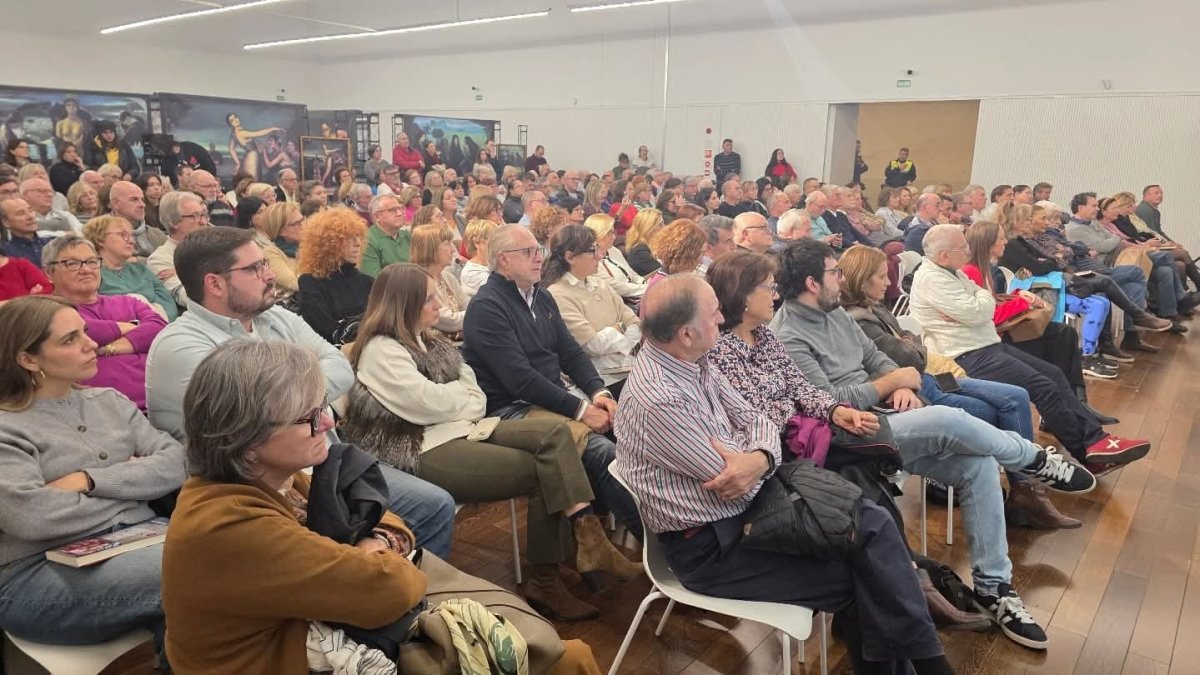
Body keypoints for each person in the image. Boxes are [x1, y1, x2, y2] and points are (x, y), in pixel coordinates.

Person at [164, 339, 603, 673]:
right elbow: (390, 590)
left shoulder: (272, 480)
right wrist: (373, 549)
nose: (329, 422)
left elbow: (387, 521)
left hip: (327, 639)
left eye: (322, 407)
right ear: (245, 436)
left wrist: (371, 543)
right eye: (307, 416)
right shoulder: (228, 525)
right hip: (298, 658)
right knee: (567, 660)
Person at [616, 274, 962, 674]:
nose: (722, 320)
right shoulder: (659, 398)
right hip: (713, 545)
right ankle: (932, 664)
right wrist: (761, 456)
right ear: (686, 333)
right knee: (870, 573)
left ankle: (930, 664)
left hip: (754, 510)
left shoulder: (695, 359)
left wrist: (759, 456)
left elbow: (756, 420)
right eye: (713, 315)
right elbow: (735, 485)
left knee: (875, 525)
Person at [768, 240, 1098, 649]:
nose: (841, 279)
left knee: (977, 467)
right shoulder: (786, 333)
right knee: (948, 417)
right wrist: (892, 384)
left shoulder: (836, 315)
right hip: (849, 438)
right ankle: (1030, 458)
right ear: (813, 283)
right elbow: (830, 404)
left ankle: (994, 588)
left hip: (887, 417)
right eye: (834, 273)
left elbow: (878, 359)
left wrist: (896, 386)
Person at [343, 263, 640, 618]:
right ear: (402, 304)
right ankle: (550, 576)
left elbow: (476, 396)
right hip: (418, 446)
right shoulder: (381, 349)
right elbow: (425, 404)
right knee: (546, 469)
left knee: (558, 435)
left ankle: (583, 541)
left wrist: (450, 398)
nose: (439, 304)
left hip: (465, 427)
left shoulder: (432, 341)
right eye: (429, 298)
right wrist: (456, 397)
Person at [145, 226, 456, 556]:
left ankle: (400, 596)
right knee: (390, 527)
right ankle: (369, 595)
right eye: (254, 268)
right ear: (215, 283)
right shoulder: (180, 346)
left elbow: (338, 367)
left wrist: (288, 396)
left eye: (266, 263)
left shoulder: (275, 318)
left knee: (434, 506)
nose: (269, 276)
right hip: (249, 489)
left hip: (319, 463)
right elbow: (262, 418)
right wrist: (292, 397)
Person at [836, 245, 1079, 529]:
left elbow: (912, 342)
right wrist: (909, 346)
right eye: (881, 276)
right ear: (863, 279)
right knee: (997, 410)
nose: (890, 282)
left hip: (928, 377)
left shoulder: (874, 307)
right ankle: (1024, 486)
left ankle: (1024, 485)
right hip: (916, 390)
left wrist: (908, 342)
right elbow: (912, 354)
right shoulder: (858, 320)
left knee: (1018, 395)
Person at [0, 295, 184, 650]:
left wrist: (90, 480)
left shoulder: (108, 401)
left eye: (85, 332)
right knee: (199, 566)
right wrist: (132, 492)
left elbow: (175, 461)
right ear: (27, 359)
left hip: (143, 540)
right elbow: (32, 517)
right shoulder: (7, 427)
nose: (92, 344)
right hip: (38, 573)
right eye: (70, 339)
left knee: (201, 596)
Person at [910, 224, 1151, 468]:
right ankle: (1087, 450)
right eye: (962, 247)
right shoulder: (932, 278)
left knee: (1054, 373)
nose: (968, 250)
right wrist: (980, 302)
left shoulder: (953, 271)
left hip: (984, 345)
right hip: (964, 356)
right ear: (944, 255)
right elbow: (979, 310)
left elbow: (983, 305)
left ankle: (1096, 441)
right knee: (1044, 387)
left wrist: (979, 301)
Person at [462, 225, 642, 541]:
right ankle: (660, 549)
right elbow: (519, 380)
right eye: (529, 252)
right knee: (603, 453)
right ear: (503, 261)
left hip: (550, 398)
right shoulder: (486, 307)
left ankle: (598, 534)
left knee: (629, 431)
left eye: (539, 251)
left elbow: (570, 352)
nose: (539, 259)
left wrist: (597, 391)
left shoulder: (541, 297)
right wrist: (581, 410)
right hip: (510, 410)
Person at [962, 219, 1116, 381]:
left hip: (1000, 331)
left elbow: (992, 303)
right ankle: (1068, 387)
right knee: (1061, 339)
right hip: (995, 338)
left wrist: (1018, 294)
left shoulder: (984, 268)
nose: (1006, 242)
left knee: (1066, 333)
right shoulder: (972, 272)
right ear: (989, 244)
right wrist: (1023, 302)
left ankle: (1073, 393)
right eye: (1001, 238)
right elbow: (989, 316)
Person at [44, 235, 166, 409]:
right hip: (103, 414)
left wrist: (108, 348)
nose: (86, 269)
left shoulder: (128, 301)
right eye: (72, 263)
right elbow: (88, 331)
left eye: (92, 261)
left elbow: (159, 328)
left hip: (163, 403)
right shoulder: (46, 310)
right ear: (49, 272)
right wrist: (132, 327)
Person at [1067, 192, 1193, 329]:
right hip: (1107, 266)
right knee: (1160, 259)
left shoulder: (1092, 224)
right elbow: (1107, 245)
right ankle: (1176, 301)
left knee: (1164, 271)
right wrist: (1114, 240)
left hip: (1118, 260)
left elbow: (1114, 240)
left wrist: (1113, 240)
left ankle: (1163, 316)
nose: (1097, 209)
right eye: (1094, 205)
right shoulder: (1075, 229)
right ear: (1080, 207)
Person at [545, 225, 640, 392]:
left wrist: (615, 330)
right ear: (570, 257)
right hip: (599, 379)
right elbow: (592, 346)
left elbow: (636, 324)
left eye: (598, 248)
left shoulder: (601, 284)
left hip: (627, 367)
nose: (600, 256)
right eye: (592, 250)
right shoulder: (558, 294)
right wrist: (621, 328)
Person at [297, 208, 372, 344]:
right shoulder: (310, 283)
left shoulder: (368, 282)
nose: (358, 243)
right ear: (329, 244)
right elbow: (326, 330)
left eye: (358, 237)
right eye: (349, 238)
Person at [84, 215, 178, 321]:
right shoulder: (91, 274)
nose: (131, 241)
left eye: (131, 235)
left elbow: (169, 305)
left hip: (162, 326)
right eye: (123, 235)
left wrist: (155, 323)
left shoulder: (141, 269)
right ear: (99, 239)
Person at [146, 192, 211, 308]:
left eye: (203, 215)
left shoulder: (218, 247)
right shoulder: (160, 259)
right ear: (174, 222)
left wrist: (186, 273)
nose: (203, 222)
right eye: (194, 216)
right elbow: (186, 297)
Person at [410, 224, 465, 341]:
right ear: (430, 248)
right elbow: (450, 322)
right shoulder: (418, 282)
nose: (453, 249)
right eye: (447, 244)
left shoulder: (448, 277)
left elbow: (467, 306)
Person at [584, 213, 645, 303]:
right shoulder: (591, 261)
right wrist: (647, 289)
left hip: (638, 296)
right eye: (610, 233)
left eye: (614, 232)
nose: (614, 237)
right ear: (598, 235)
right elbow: (616, 287)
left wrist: (644, 283)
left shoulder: (613, 250)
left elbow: (632, 274)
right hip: (622, 302)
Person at [360, 194, 411, 277]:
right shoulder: (368, 241)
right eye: (392, 210)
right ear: (377, 216)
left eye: (400, 208)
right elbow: (375, 279)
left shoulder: (407, 235)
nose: (399, 213)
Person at [0, 197, 54, 267]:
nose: (30, 216)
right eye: (21, 213)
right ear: (6, 222)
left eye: (30, 211)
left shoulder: (53, 243)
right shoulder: (5, 252)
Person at [624, 207, 665, 276]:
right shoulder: (639, 253)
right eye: (660, 224)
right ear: (648, 228)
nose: (664, 227)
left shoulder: (654, 246)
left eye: (663, 223)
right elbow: (664, 273)